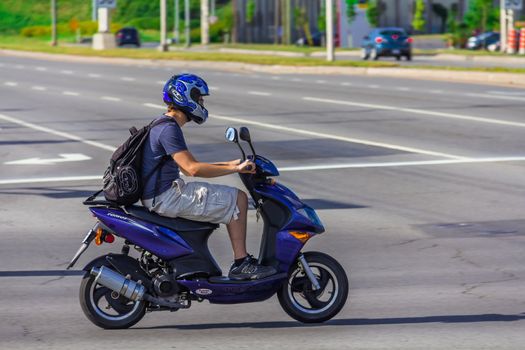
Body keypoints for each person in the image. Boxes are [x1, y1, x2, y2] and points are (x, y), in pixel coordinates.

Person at [141, 73, 276, 281]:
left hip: (161, 194)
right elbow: (192, 169)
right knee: (238, 199)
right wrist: (234, 169)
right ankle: (241, 263)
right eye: (199, 98)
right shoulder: (169, 129)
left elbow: (187, 169)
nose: (202, 103)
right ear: (185, 97)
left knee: (227, 196)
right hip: (166, 196)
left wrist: (233, 165)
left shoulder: (164, 124)